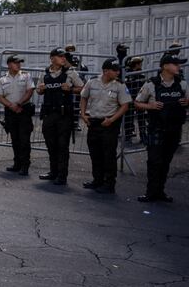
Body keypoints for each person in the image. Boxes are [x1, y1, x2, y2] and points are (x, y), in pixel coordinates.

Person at [134, 54, 188, 203]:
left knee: (165, 162)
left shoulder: (182, 84)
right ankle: (150, 193)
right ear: (165, 66)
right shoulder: (151, 84)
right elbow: (137, 103)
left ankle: (160, 192)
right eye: (175, 64)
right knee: (154, 162)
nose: (179, 67)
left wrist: (186, 101)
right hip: (156, 129)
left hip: (174, 130)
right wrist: (150, 106)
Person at [79, 59, 131, 194]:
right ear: (106, 71)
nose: (118, 72)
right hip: (94, 122)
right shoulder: (92, 82)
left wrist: (112, 119)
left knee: (108, 155)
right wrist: (83, 114)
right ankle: (97, 180)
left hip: (109, 124)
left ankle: (109, 184)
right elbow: (83, 97)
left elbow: (125, 106)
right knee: (95, 153)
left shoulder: (119, 85)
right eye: (115, 70)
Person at [36, 48, 84, 185]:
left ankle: (62, 176)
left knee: (62, 146)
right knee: (51, 144)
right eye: (60, 56)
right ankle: (53, 172)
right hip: (49, 114)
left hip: (64, 115)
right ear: (52, 58)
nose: (63, 59)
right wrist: (40, 89)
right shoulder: (44, 73)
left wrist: (70, 89)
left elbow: (82, 88)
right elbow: (39, 90)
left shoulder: (70, 73)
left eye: (64, 57)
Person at [0, 55, 35, 176]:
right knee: (15, 139)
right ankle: (17, 164)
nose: (19, 65)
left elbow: (30, 91)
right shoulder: (3, 80)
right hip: (11, 113)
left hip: (23, 111)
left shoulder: (26, 76)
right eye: (16, 63)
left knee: (24, 140)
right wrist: (11, 106)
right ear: (9, 64)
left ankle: (25, 165)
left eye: (20, 63)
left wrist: (18, 103)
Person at [123, 57, 148, 144]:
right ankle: (128, 136)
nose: (141, 65)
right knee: (129, 118)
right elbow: (125, 87)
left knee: (142, 118)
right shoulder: (127, 74)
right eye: (140, 63)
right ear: (136, 64)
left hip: (140, 100)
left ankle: (143, 135)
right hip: (130, 99)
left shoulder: (141, 74)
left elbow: (144, 87)